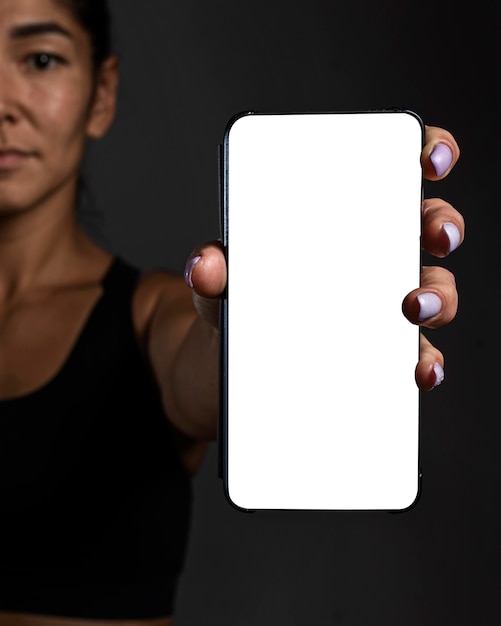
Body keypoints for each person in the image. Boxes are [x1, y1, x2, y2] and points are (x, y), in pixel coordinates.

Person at [0, 0, 463, 624]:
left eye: (41, 59)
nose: (3, 100)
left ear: (101, 94)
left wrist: (250, 330)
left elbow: (197, 378)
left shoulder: (149, 315)